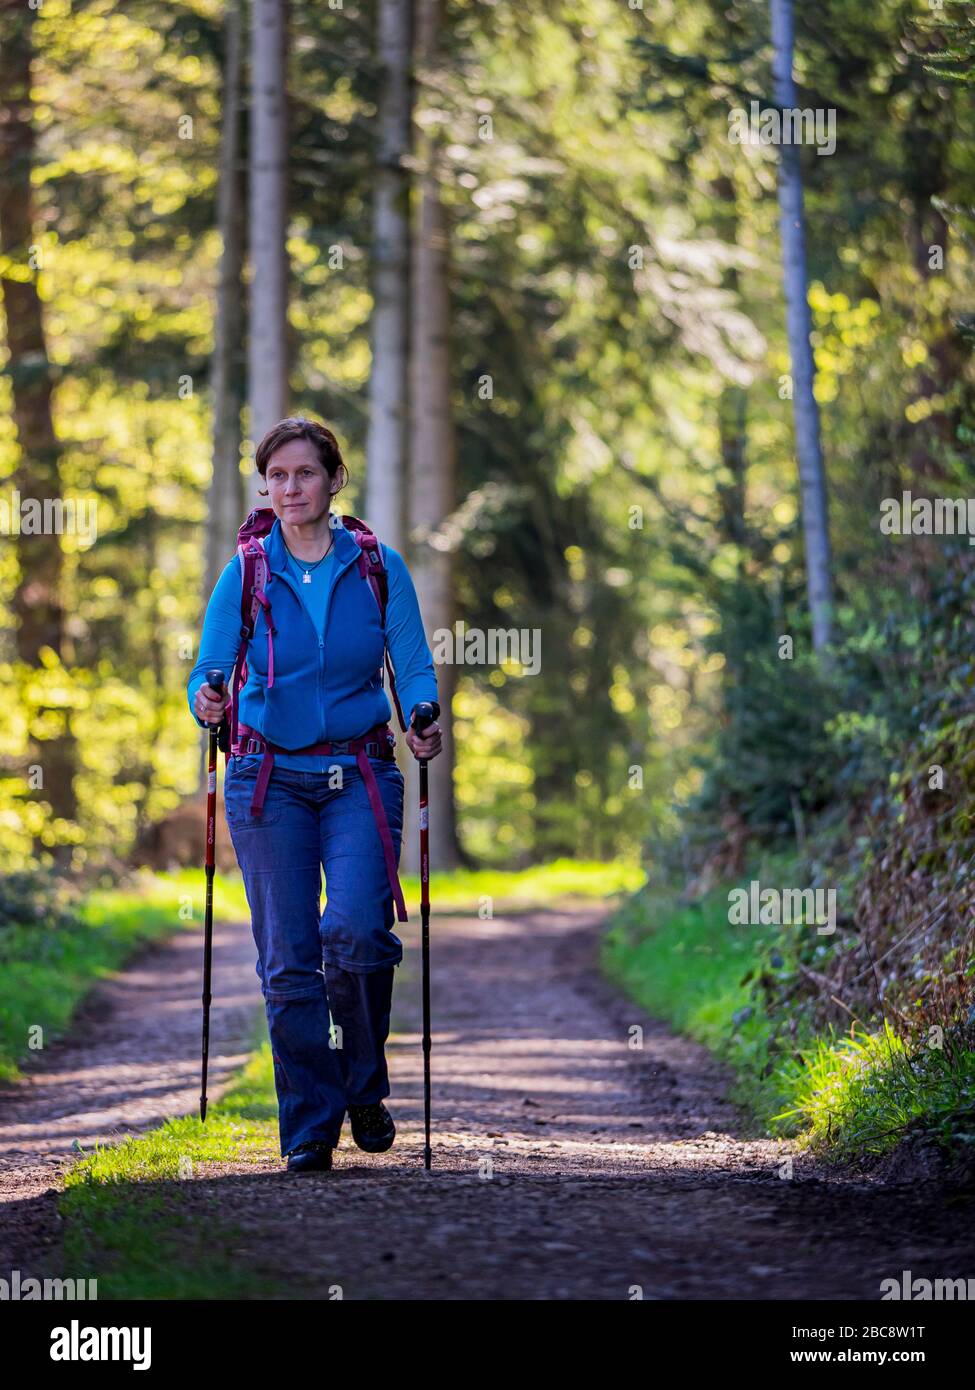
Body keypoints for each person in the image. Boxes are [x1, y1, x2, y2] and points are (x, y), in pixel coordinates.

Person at [187, 415, 442, 1173]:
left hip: (358, 773)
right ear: (265, 485)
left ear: (333, 480)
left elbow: (415, 666)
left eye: (304, 473)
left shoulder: (376, 566)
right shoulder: (247, 570)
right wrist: (206, 695)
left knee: (359, 934)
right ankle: (308, 1123)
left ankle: (362, 1084)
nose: (290, 488)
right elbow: (209, 666)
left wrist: (423, 716)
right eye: (277, 476)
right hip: (267, 782)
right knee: (289, 961)